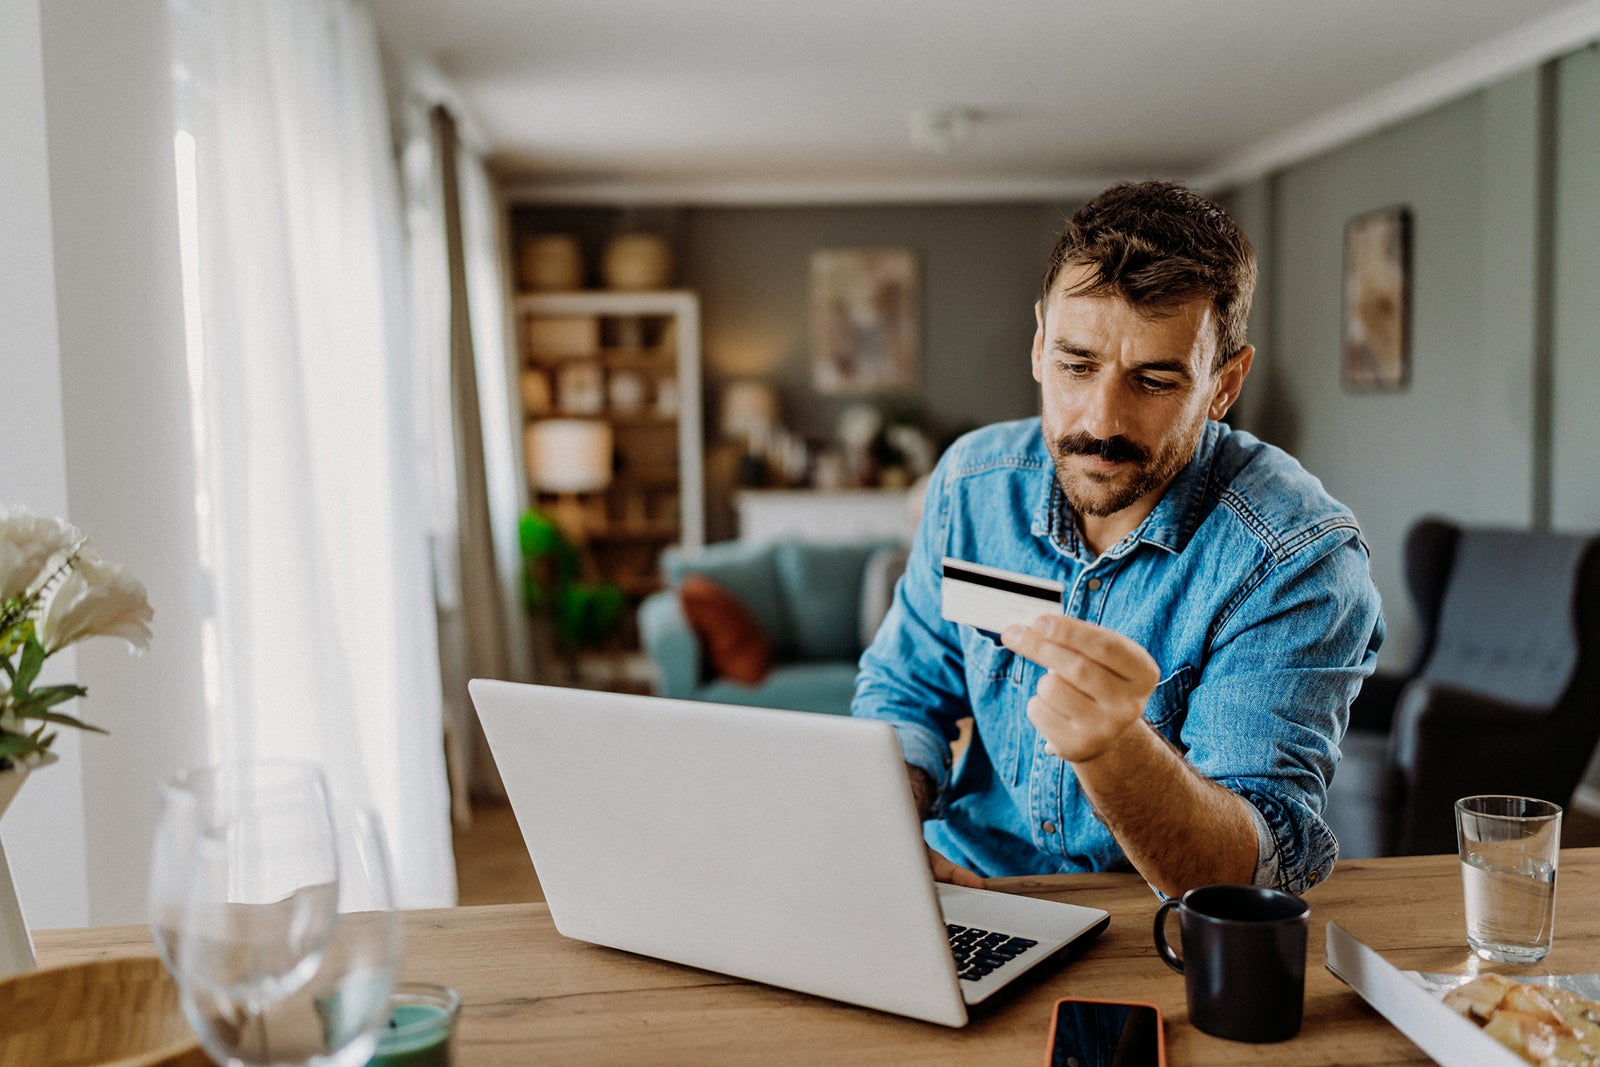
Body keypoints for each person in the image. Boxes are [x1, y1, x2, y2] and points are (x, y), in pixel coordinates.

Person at [852, 180, 1384, 898]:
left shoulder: (1296, 559)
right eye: (1076, 365)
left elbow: (1247, 874)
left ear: (1224, 384)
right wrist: (885, 836)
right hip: (961, 884)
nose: (1100, 420)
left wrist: (1115, 749)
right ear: (1040, 345)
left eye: (1155, 379)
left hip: (1147, 927)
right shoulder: (971, 486)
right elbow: (904, 691)